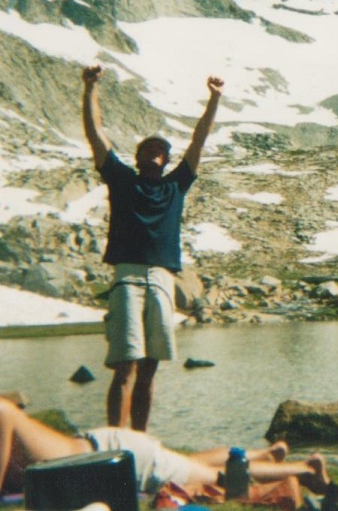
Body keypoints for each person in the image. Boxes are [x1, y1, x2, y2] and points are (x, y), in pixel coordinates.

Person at [0, 357, 329, 509]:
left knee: (198, 476)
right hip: (97, 446)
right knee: (187, 459)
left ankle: (300, 469)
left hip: (111, 456)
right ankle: (267, 450)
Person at [82, 64, 223, 431]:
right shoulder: (122, 179)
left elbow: (198, 141)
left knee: (150, 367)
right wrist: (89, 88)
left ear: (166, 160)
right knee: (126, 364)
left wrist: (214, 100)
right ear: (139, 157)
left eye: (162, 150)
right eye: (150, 148)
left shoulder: (176, 185)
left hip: (162, 281)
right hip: (127, 279)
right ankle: (117, 437)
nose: (156, 153)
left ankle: (140, 439)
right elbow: (96, 134)